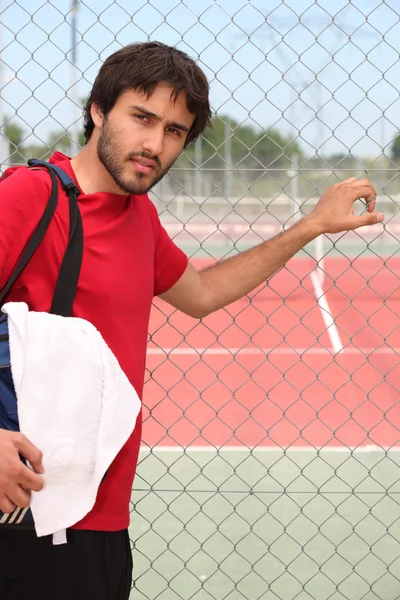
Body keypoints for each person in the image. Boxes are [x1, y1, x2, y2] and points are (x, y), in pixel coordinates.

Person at [0, 41, 383, 600]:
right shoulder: (29, 197)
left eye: (175, 131)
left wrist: (309, 227)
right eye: (143, 117)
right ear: (98, 111)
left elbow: (201, 292)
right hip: (25, 517)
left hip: (100, 518)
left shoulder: (140, 215)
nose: (155, 144)